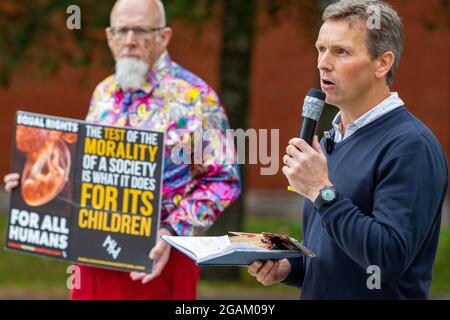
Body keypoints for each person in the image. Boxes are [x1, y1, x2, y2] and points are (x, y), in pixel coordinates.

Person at [4, 0, 241, 300]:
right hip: (91, 258)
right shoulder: (103, 93)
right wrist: (30, 183)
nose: (129, 40)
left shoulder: (197, 99)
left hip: (159, 260)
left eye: (141, 30)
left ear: (164, 36)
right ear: (109, 37)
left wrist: (173, 232)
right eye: (122, 30)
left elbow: (223, 180)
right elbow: (85, 173)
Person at [248, 0, 448, 299]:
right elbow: (343, 258)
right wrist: (291, 268)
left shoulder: (410, 146)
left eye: (341, 51)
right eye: (321, 49)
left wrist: (320, 190)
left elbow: (386, 259)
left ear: (383, 63)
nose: (323, 63)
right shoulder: (333, 138)